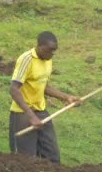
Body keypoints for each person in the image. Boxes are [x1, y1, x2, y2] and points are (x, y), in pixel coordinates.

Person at [9, 31, 80, 163]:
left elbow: (44, 87)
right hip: (22, 114)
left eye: (54, 51)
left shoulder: (48, 60)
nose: (52, 54)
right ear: (40, 46)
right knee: (25, 160)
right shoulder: (27, 59)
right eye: (49, 51)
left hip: (41, 111)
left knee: (52, 156)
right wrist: (31, 116)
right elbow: (14, 89)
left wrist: (66, 97)